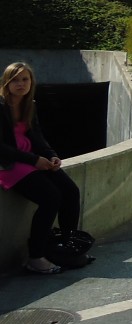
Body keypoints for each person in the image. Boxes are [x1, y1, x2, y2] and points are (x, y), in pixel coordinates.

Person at [0, 61, 84, 275]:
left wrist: (51, 156)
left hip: (31, 159)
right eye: (15, 80)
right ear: (6, 83)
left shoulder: (30, 105)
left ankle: (67, 248)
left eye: (25, 79)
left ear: (31, 82)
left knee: (71, 191)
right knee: (50, 197)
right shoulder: (1, 107)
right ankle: (35, 257)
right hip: (9, 164)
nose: (20, 84)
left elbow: (37, 137)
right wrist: (34, 160)